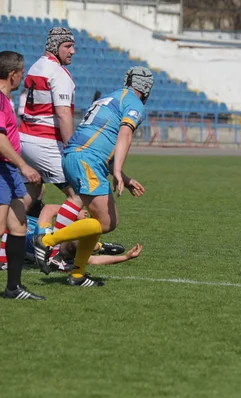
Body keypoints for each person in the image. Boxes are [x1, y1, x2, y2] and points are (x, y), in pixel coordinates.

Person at [33, 66, 151, 287]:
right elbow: (125, 134)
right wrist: (116, 171)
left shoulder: (111, 97)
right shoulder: (135, 103)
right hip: (87, 160)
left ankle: (77, 275)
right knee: (106, 222)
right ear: (146, 88)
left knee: (103, 221)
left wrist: (123, 176)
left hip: (77, 157)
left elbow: (100, 140)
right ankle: (47, 241)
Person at [17, 27, 80, 267]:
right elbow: (63, 116)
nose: (72, 51)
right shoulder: (59, 73)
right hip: (45, 143)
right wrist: (73, 149)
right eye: (67, 46)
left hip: (26, 140)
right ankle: (54, 252)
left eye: (72, 46)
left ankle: (5, 248)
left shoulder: (36, 66)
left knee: (27, 196)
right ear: (54, 46)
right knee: (78, 194)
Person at [0, 50, 44, 300]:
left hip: (9, 170)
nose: (24, 76)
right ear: (13, 74)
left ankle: (13, 288)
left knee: (18, 225)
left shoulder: (5, 100)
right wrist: (23, 166)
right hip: (3, 169)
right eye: (22, 72)